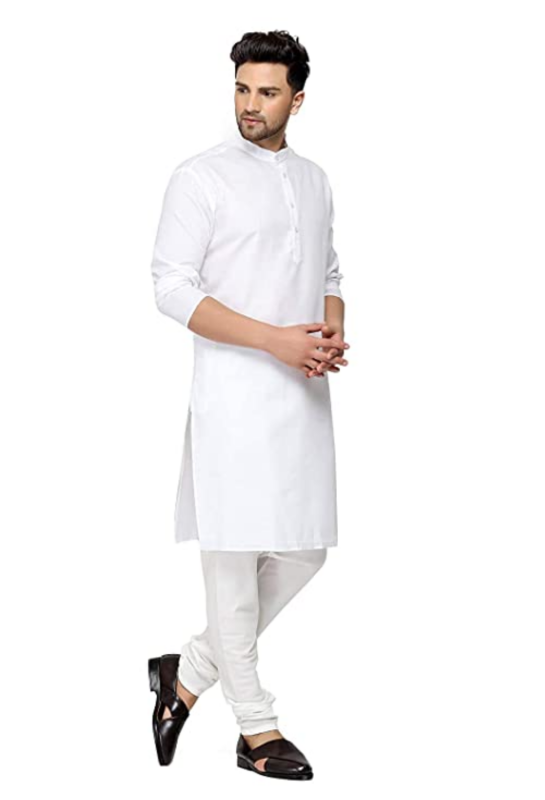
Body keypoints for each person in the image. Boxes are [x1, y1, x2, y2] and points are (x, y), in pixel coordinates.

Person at [148, 30, 349, 780]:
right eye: (241, 89)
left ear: (298, 98)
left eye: (267, 92)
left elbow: (328, 270)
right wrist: (274, 341)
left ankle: (188, 671)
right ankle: (256, 729)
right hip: (232, 398)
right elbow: (171, 287)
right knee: (232, 565)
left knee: (303, 549)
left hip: (302, 395)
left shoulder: (315, 179)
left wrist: (328, 332)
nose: (250, 105)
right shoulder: (200, 177)